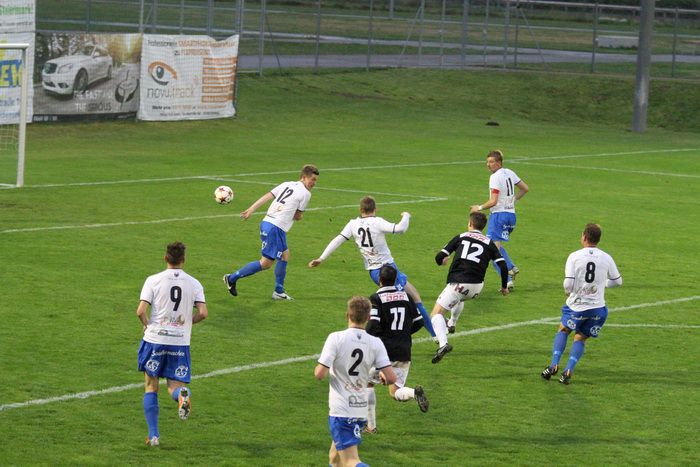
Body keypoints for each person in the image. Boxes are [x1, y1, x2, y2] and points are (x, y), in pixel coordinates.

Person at [308, 195, 436, 338]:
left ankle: (436, 334)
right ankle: (431, 336)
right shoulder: (377, 222)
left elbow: (338, 240)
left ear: (361, 209)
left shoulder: (353, 224)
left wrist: (321, 258)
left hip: (375, 271)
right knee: (408, 304)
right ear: (375, 209)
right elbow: (401, 229)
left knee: (415, 296)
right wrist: (406, 216)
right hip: (387, 270)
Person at [136, 242, 208, 447]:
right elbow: (203, 313)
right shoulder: (194, 283)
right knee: (174, 386)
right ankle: (181, 396)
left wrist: (147, 325)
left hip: (155, 340)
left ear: (165, 258)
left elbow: (140, 311)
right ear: (183, 260)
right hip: (179, 342)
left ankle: (154, 436)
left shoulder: (153, 280)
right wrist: (187, 324)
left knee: (151, 386)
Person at [315, 296, 397, 467]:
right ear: (368, 318)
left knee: (350, 461)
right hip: (360, 409)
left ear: (347, 315)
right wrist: (379, 376)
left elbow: (320, 374)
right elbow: (391, 378)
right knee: (334, 458)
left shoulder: (336, 338)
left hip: (342, 410)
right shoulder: (375, 343)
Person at [541, 223, 622, 385]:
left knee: (563, 330)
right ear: (598, 240)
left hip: (576, 307)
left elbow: (568, 283)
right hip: (598, 310)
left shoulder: (575, 256)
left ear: (584, 237)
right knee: (580, 339)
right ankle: (568, 371)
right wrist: (604, 284)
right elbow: (618, 281)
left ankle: (553, 365)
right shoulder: (606, 257)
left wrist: (568, 291)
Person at [224, 164, 319, 300]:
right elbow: (298, 216)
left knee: (285, 255)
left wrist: (251, 209)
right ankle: (232, 278)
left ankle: (278, 290)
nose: (314, 183)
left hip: (267, 223)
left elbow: (268, 196)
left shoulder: (286, 184)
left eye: (316, 180)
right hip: (275, 228)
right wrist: (299, 216)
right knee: (265, 263)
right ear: (304, 177)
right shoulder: (306, 194)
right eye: (312, 179)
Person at [430, 212, 509, 364]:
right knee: (459, 298)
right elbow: (503, 266)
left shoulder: (461, 237)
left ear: (470, 224)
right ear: (483, 227)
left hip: (458, 283)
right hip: (477, 288)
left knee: (436, 314)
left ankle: (443, 344)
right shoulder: (489, 243)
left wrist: (442, 262)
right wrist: (504, 287)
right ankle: (452, 323)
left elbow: (439, 257)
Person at [364, 265, 429, 434]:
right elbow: (420, 322)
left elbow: (372, 325)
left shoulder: (376, 298)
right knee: (395, 391)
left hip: (383, 352)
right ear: (395, 280)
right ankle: (414, 393)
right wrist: (403, 334)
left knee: (367, 383)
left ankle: (371, 426)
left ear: (380, 279)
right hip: (404, 350)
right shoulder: (406, 296)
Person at [470, 150, 529, 290]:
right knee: (493, 245)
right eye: (487, 162)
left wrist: (478, 208)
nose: (488, 165)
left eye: (491, 162)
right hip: (511, 216)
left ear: (499, 163)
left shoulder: (495, 177)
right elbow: (525, 188)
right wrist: (513, 201)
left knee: (491, 250)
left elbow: (493, 201)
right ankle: (511, 268)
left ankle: (507, 276)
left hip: (498, 216)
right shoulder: (509, 172)